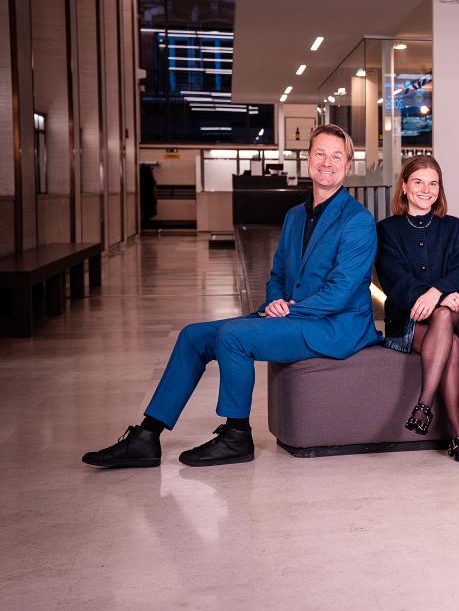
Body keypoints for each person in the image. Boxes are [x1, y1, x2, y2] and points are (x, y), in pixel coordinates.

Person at [83, 125, 379, 468]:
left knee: (234, 336)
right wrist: (274, 302)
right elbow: (278, 275)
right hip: (295, 315)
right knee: (193, 336)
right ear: (308, 158)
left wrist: (288, 309)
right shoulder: (295, 216)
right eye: (320, 153)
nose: (327, 162)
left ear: (347, 165)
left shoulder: (358, 220)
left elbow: (340, 292)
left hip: (335, 326)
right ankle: (147, 436)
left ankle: (237, 434)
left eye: (336, 156)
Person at [376, 155, 459, 463]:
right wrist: (441, 296)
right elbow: (393, 279)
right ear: (404, 186)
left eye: (433, 183)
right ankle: (458, 436)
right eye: (418, 182)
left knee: (445, 316)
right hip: (409, 322)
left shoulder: (453, 227)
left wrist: (437, 294)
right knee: (451, 344)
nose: (426, 189)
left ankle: (424, 404)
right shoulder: (386, 230)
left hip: (456, 316)